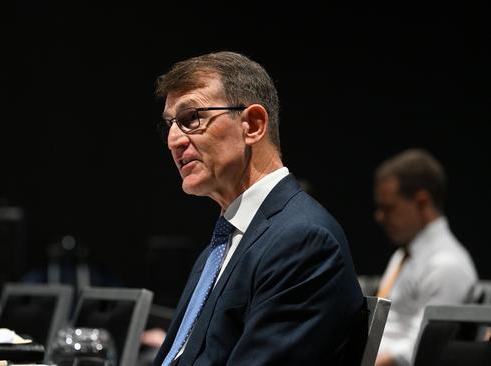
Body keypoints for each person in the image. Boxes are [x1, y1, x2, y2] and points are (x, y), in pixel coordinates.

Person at [153, 51, 364, 365]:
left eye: (190, 119)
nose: (173, 140)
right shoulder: (223, 243)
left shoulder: (302, 242)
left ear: (252, 124)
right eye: (170, 124)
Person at [373, 148, 478, 366]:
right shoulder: (404, 254)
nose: (380, 217)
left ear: (422, 202)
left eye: (389, 208)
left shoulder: (448, 265)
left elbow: (423, 348)